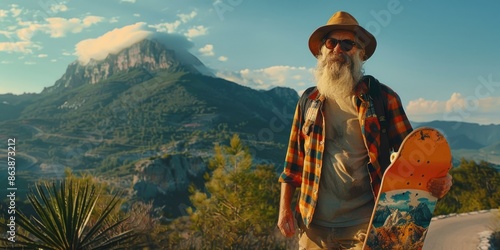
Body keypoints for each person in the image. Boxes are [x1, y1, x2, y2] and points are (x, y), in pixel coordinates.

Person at [277, 11, 453, 249]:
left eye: (348, 43)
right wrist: (284, 209)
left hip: (366, 228)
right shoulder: (309, 100)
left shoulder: (383, 99)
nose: (338, 49)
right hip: (313, 227)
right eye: (331, 42)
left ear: (360, 53)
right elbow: (293, 165)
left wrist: (442, 180)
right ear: (322, 51)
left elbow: (415, 158)